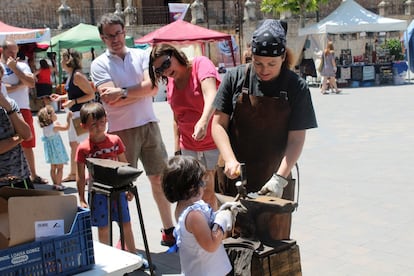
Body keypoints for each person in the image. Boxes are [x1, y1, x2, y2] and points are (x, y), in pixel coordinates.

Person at [90, 13, 175, 247]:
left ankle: (169, 230)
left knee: (159, 179)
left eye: (118, 33)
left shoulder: (142, 54)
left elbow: (154, 87)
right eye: (109, 36)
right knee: (121, 189)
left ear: (124, 31)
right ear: (102, 38)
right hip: (120, 132)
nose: (115, 39)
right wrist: (138, 92)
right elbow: (110, 99)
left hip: (149, 124)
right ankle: (125, 240)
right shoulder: (99, 64)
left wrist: (123, 93)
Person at [212, 19, 318, 200]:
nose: (264, 70)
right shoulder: (234, 77)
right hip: (234, 176)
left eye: (271, 64)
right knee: (229, 227)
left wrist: (279, 178)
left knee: (273, 228)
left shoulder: (296, 87)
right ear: (250, 55)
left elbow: (296, 139)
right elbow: (218, 124)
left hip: (276, 174)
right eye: (258, 63)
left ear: (283, 57)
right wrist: (229, 158)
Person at [149, 44, 221, 210]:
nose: (165, 72)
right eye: (159, 70)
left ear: (175, 55)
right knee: (192, 195)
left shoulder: (200, 64)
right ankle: (200, 231)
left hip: (213, 143)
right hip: (189, 146)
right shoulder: (171, 83)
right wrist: (177, 151)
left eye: (166, 64)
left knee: (209, 193)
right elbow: (176, 118)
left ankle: (214, 233)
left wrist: (203, 121)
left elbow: (212, 94)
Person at [75, 102, 141, 258]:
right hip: (98, 193)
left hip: (118, 191)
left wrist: (128, 187)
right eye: (93, 124)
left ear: (106, 120)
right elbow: (79, 176)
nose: (99, 127)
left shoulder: (115, 141)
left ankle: (133, 255)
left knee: (126, 223)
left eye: (102, 122)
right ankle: (108, 258)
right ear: (84, 126)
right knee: (103, 227)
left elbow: (124, 166)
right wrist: (82, 198)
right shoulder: (83, 148)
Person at [162, 155, 235, 276]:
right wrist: (222, 221)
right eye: (201, 182)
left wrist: (219, 213)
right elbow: (211, 245)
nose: (204, 186)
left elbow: (204, 227)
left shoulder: (184, 208)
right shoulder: (193, 215)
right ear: (191, 187)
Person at [1, 40, 48, 185]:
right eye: (10, 52)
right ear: (2, 51)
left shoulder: (21, 65)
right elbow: (9, 87)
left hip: (19, 108)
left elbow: (31, 83)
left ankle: (33, 174)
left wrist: (15, 69)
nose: (14, 55)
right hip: (7, 105)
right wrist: (17, 85)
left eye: (16, 52)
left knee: (28, 144)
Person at [50, 49, 96, 182]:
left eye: (62, 59)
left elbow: (91, 94)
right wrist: (61, 97)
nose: (60, 62)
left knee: (83, 145)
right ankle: (73, 173)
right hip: (73, 115)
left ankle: (89, 174)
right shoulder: (72, 74)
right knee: (74, 144)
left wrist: (73, 101)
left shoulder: (77, 75)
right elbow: (75, 93)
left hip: (80, 115)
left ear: (68, 60)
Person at [0, 64, 33, 189]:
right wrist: (18, 137)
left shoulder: (10, 104)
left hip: (20, 177)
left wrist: (8, 108)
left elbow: (27, 134)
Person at [37, 105, 71, 191]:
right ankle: (59, 184)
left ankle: (55, 183)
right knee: (60, 168)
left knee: (53, 168)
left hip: (50, 152)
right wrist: (68, 119)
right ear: (49, 117)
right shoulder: (54, 127)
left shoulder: (45, 128)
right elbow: (66, 127)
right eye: (54, 113)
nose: (56, 114)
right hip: (57, 150)